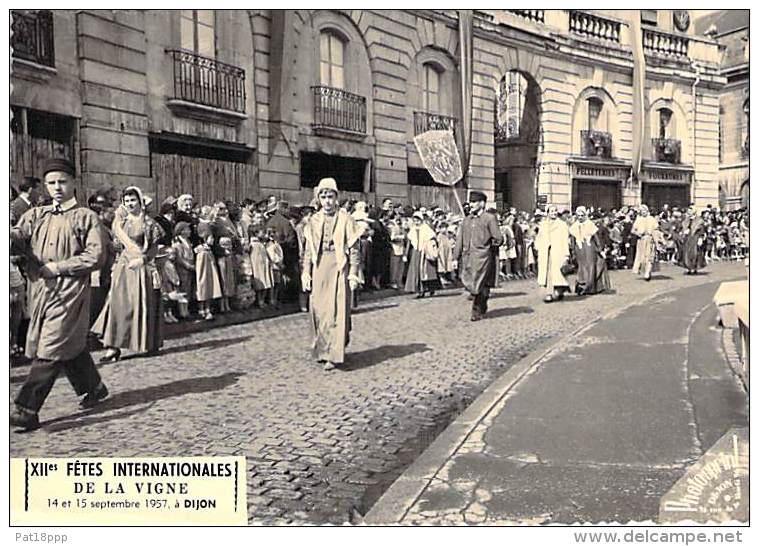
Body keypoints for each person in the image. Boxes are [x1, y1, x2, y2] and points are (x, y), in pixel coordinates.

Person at [10, 158, 108, 430]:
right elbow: (19, 234)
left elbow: (96, 255)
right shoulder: (36, 214)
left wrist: (59, 267)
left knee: (51, 345)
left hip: (71, 290)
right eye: (51, 183)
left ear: (73, 183)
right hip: (43, 291)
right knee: (68, 344)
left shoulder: (86, 217)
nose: (57, 188)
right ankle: (95, 387)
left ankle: (26, 408)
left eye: (62, 182)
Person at [92, 187, 165, 362]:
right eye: (126, 201)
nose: (130, 204)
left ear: (140, 202)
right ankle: (112, 347)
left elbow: (155, 248)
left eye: (133, 200)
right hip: (124, 269)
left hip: (141, 268)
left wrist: (144, 259)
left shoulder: (150, 224)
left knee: (143, 305)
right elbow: (117, 246)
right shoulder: (121, 224)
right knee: (117, 306)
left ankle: (147, 343)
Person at [300, 177, 361, 371]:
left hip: (338, 266)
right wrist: (306, 272)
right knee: (319, 310)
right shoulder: (313, 221)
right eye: (323, 197)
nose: (327, 201)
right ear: (319, 198)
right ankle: (322, 349)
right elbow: (308, 250)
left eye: (330, 197)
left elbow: (354, 248)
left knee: (336, 310)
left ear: (337, 198)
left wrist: (353, 272)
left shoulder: (345, 219)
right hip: (320, 267)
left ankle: (333, 354)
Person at [455, 191, 504, 321]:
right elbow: (459, 239)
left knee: (481, 283)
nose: (471, 204)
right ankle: (482, 305)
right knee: (472, 282)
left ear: (482, 203)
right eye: (470, 202)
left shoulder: (489, 218)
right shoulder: (466, 220)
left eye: (474, 202)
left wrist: (487, 247)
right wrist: (455, 257)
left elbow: (498, 238)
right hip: (468, 258)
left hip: (484, 258)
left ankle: (476, 310)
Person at [569, 206, 611, 294]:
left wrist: (600, 249)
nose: (580, 217)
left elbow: (596, 238)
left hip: (590, 248)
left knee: (591, 266)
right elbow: (573, 239)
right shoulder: (574, 226)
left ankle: (590, 287)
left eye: (582, 215)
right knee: (582, 267)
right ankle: (582, 285)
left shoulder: (590, 224)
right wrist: (573, 251)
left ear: (585, 215)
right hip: (579, 249)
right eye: (578, 215)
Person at [535, 204, 570, 303]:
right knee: (547, 274)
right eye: (551, 211)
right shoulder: (543, 224)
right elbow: (539, 237)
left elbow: (565, 240)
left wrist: (566, 254)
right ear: (547, 213)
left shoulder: (562, 225)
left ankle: (559, 290)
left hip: (558, 251)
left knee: (557, 273)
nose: (554, 213)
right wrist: (537, 247)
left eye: (555, 211)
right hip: (545, 252)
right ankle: (548, 293)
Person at [404, 212, 440, 298]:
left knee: (427, 271)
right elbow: (409, 242)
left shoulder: (426, 228)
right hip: (416, 252)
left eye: (418, 220)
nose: (417, 222)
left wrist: (428, 245)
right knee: (417, 272)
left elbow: (432, 238)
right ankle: (420, 290)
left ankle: (431, 288)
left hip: (425, 252)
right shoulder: (412, 230)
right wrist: (405, 254)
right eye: (415, 220)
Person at [195, 222, 222, 319]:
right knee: (203, 291)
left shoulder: (208, 250)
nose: (213, 240)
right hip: (204, 275)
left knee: (209, 290)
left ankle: (208, 309)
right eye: (211, 238)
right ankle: (202, 310)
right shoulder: (202, 252)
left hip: (210, 274)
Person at [679, 206, 706, 275]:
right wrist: (683, 232)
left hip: (695, 238)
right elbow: (682, 228)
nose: (689, 212)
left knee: (695, 253)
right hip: (687, 238)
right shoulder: (686, 220)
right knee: (686, 253)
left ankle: (694, 267)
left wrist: (701, 239)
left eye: (690, 211)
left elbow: (702, 230)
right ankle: (689, 267)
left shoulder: (699, 220)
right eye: (688, 211)